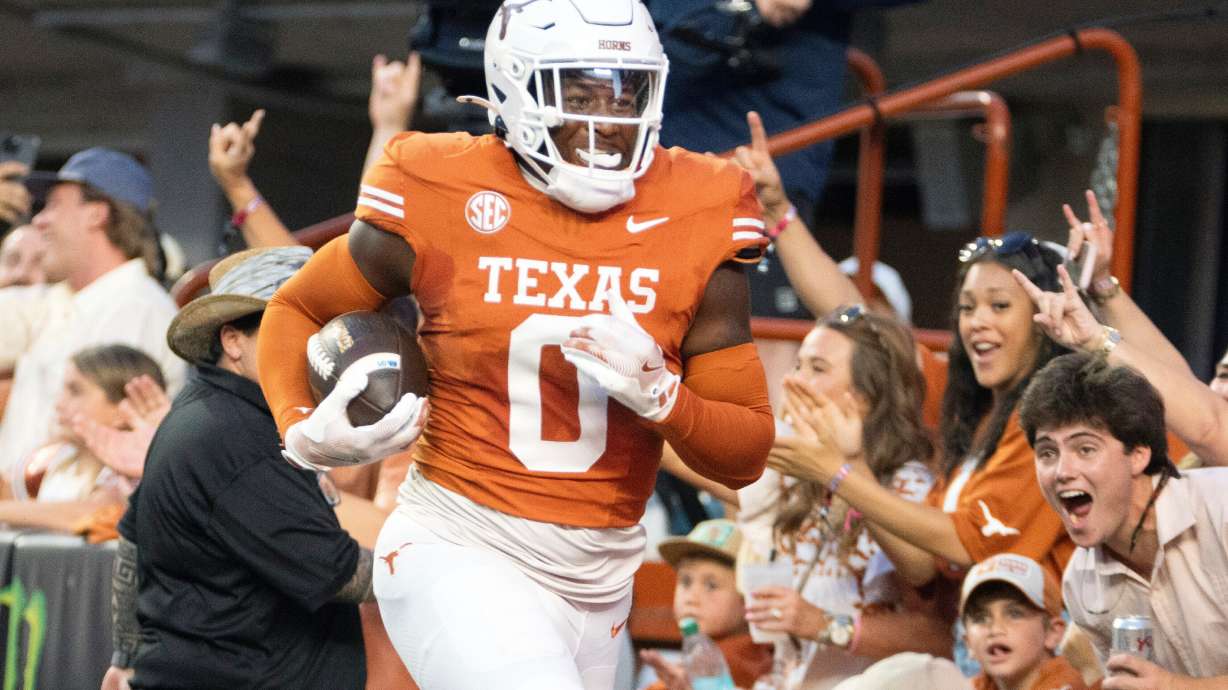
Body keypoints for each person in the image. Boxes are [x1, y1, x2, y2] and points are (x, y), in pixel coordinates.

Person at [256, 2, 774, 688]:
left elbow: (743, 455)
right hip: (460, 541)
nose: (610, 120)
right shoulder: (439, 182)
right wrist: (301, 428)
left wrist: (662, 397)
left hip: (603, 571)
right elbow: (298, 306)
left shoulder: (702, 202)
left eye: (628, 91)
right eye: (581, 93)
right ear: (516, 90)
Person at [105, 246, 371, 690]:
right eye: (290, 327)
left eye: (321, 330)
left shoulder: (206, 411)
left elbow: (131, 542)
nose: (316, 348)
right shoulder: (238, 436)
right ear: (232, 341)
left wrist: (127, 656)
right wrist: (446, 570)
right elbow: (343, 574)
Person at [770, 232, 1076, 591]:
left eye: (999, 306)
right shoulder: (970, 407)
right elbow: (923, 564)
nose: (976, 321)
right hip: (974, 639)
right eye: (967, 307)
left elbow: (965, 544)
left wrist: (838, 472)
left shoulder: (1056, 420)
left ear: (1046, 319)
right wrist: (778, 214)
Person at [1018, 352, 1228, 686]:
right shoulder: (1081, 584)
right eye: (1047, 453)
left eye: (1085, 449)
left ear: (1139, 455)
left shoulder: (1222, 510)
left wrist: (1174, 686)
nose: (1062, 472)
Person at [0, 148, 185, 478]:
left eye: (54, 205)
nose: (39, 220)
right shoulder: (56, 300)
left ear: (97, 214)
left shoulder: (137, 308)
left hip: (77, 526)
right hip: (26, 521)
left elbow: (95, 460)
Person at [639, 519, 774, 690]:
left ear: (749, 599)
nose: (691, 597)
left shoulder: (734, 660)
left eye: (711, 585)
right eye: (686, 582)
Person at [958, 553, 1085, 690]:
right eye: (980, 618)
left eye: (1014, 614)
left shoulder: (1071, 683)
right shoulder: (982, 684)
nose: (995, 629)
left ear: (1053, 632)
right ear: (968, 643)